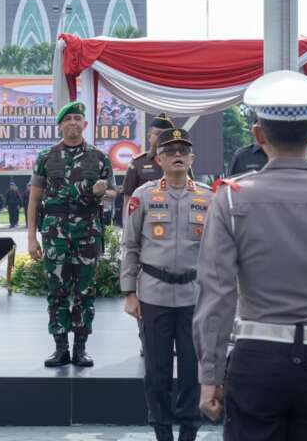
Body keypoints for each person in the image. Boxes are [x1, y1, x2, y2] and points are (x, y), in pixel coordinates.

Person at [193, 70, 307, 440]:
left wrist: (210, 376)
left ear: (259, 135)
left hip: (254, 360)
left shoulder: (231, 199)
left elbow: (215, 295)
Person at [121, 128, 210, 441]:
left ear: (192, 158)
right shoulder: (142, 196)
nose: (177, 156)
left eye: (183, 151)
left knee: (191, 371)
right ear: (158, 158)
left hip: (193, 296)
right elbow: (130, 245)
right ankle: (161, 430)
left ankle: (189, 431)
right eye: (170, 151)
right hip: (153, 294)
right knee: (156, 372)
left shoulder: (208, 197)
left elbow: (218, 252)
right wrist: (130, 293)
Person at [27, 101, 116, 367]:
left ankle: (80, 348)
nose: (73, 123)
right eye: (68, 119)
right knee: (57, 290)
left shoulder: (99, 157)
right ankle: (60, 348)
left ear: (85, 124)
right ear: (61, 125)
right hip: (55, 232)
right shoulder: (46, 157)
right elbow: (34, 200)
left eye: (78, 118)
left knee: (85, 290)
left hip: (87, 231)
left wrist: (104, 191)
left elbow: (113, 192)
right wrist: (31, 237)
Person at [122, 113, 188, 356]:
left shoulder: (185, 170)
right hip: (146, 238)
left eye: (163, 135)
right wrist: (126, 227)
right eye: (156, 134)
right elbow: (129, 198)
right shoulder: (138, 163)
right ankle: (147, 341)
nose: (176, 155)